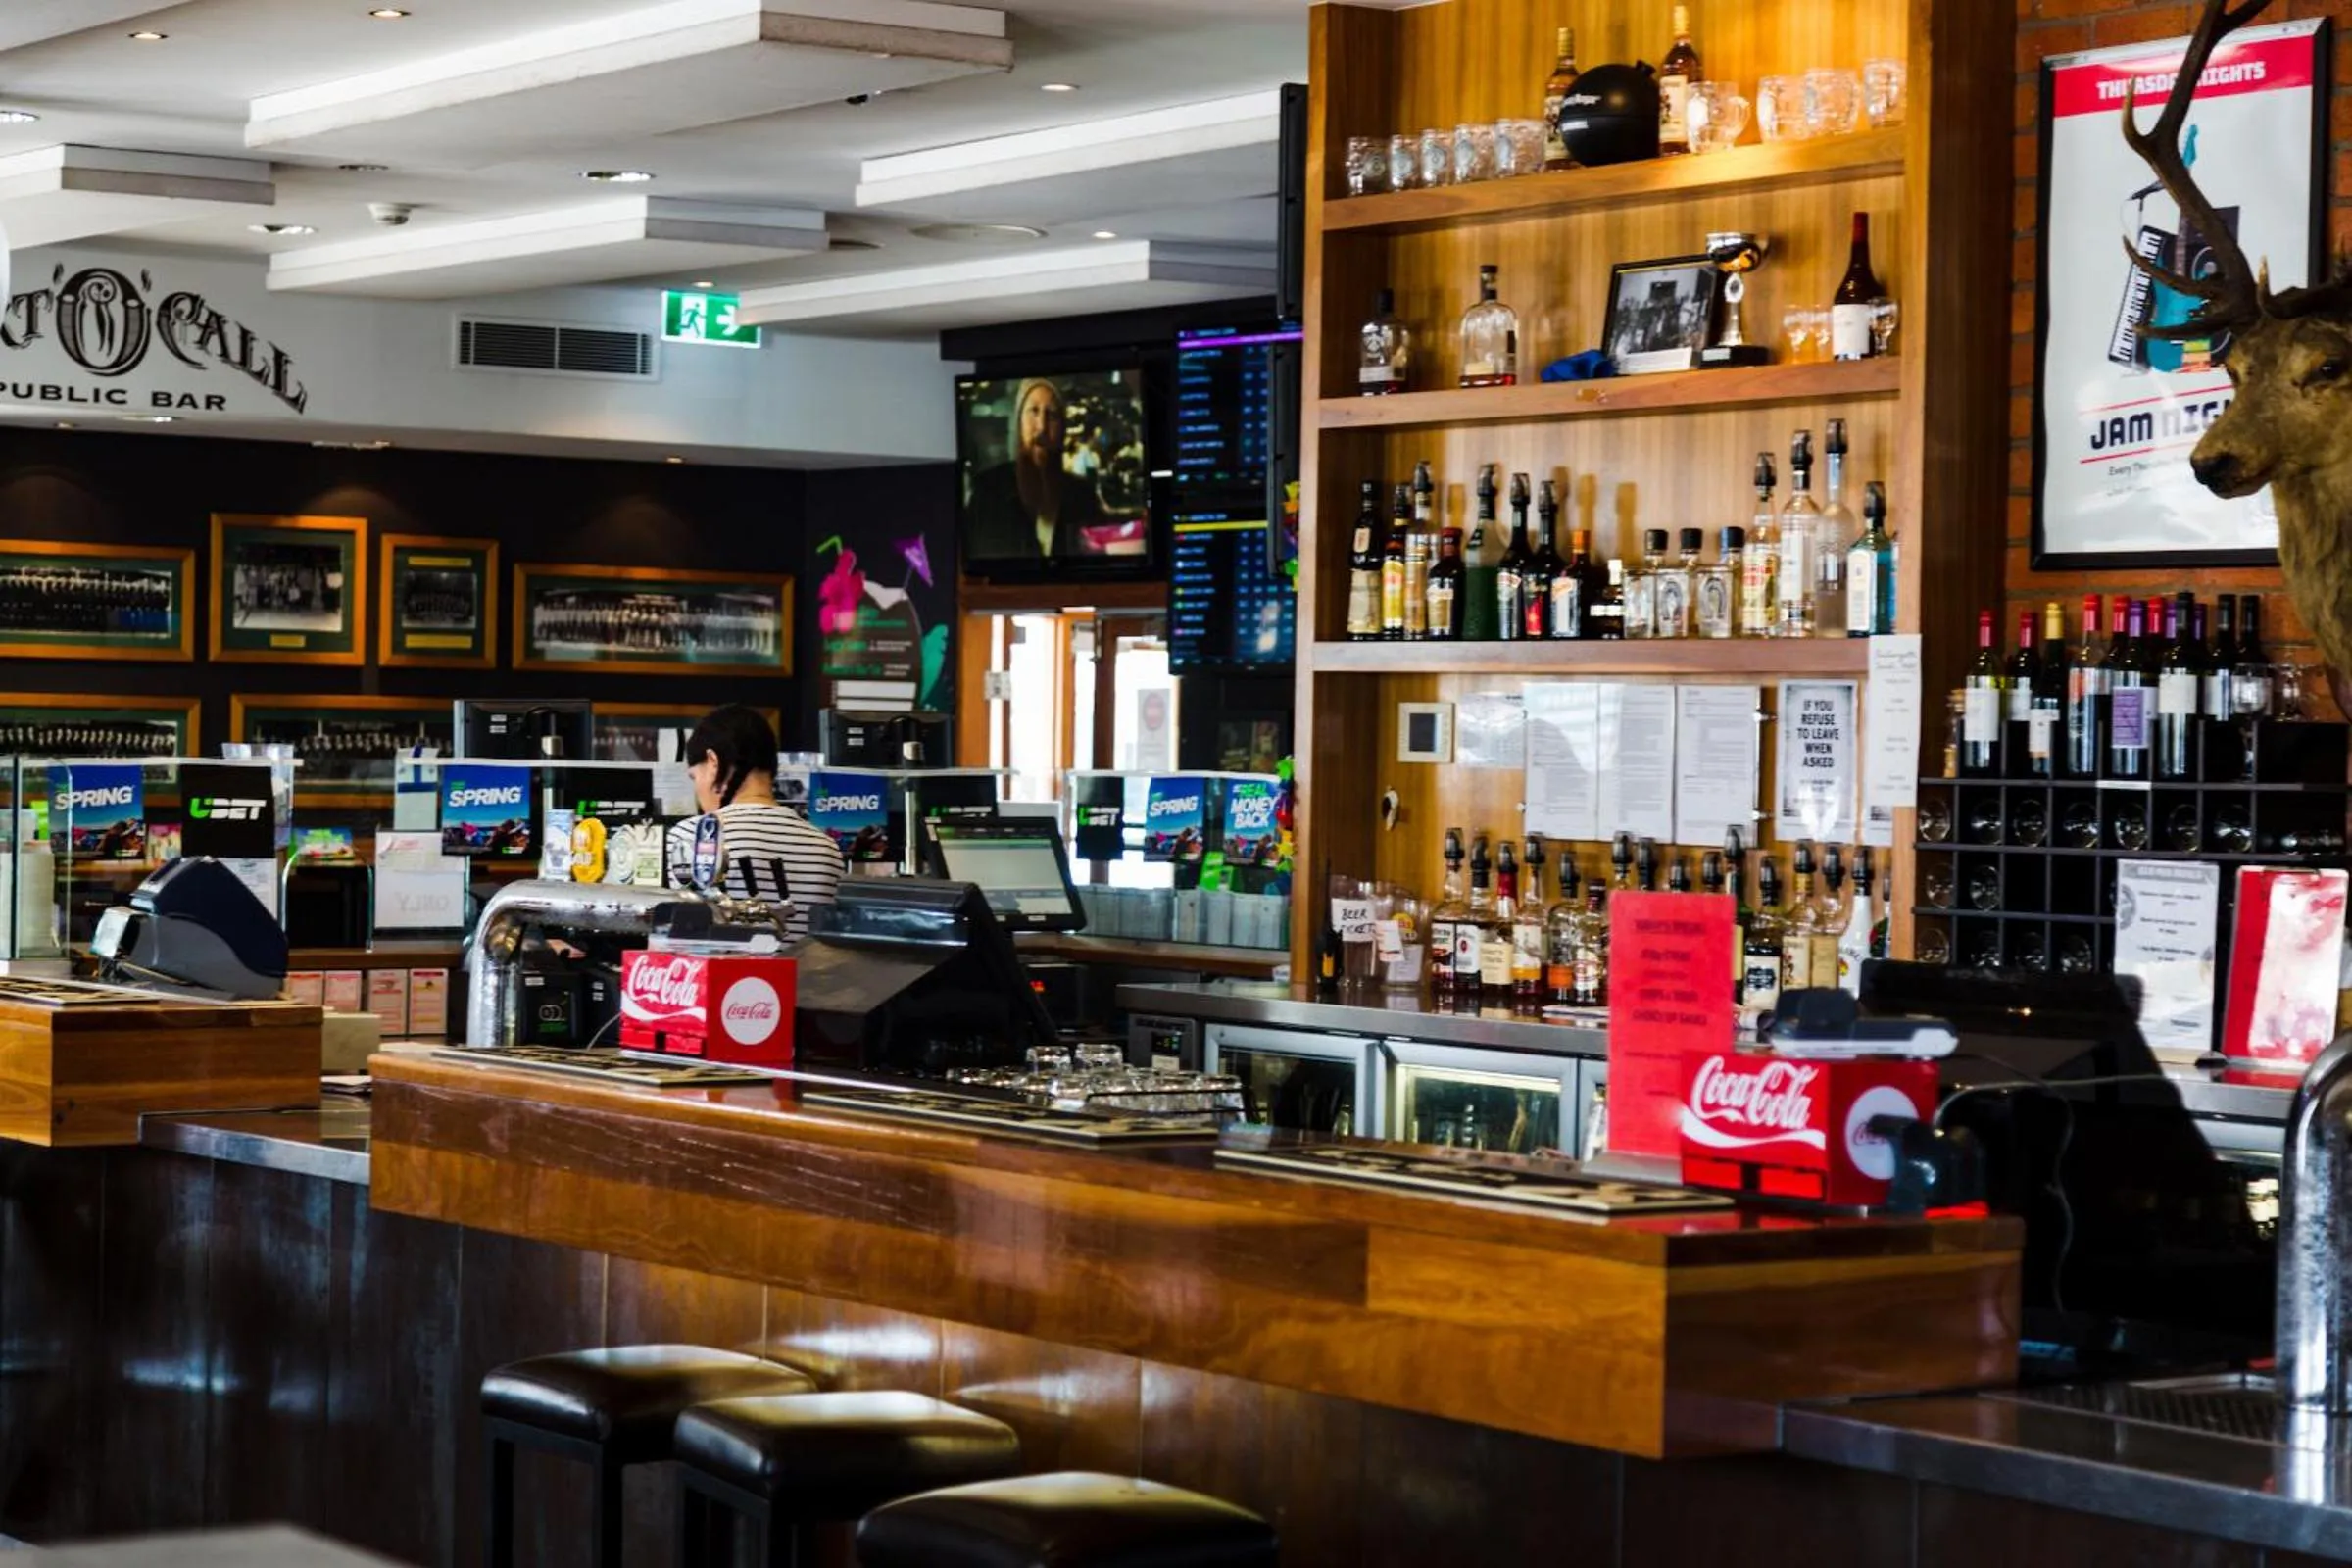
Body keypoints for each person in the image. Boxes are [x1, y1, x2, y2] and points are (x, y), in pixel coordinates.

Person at [662, 705, 844, 941]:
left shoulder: (689, 836)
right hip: (803, 978)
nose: (697, 790)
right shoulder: (827, 847)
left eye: (694, 777)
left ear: (713, 761)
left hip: (723, 977)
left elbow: (682, 939)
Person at [962, 377, 1111, 561]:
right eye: (1033, 411)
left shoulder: (1083, 496)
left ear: (1063, 430)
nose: (1041, 427)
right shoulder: (988, 491)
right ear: (1019, 423)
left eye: (1052, 415)